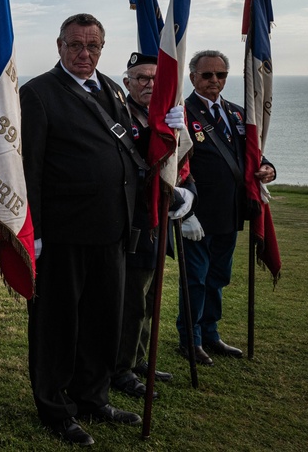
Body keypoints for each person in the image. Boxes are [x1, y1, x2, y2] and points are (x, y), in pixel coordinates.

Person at [20, 14, 144, 446]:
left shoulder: (110, 87)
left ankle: (93, 396)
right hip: (61, 233)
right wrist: (31, 230)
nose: (84, 54)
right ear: (58, 46)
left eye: (92, 46)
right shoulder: (37, 94)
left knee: (101, 319)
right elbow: (29, 167)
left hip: (111, 228)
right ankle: (55, 406)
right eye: (75, 45)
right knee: (57, 325)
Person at [179, 50, 276, 364]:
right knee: (195, 278)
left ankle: (210, 334)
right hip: (197, 214)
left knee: (218, 276)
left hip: (230, 212)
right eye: (207, 75)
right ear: (193, 77)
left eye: (220, 75)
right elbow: (177, 164)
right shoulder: (182, 113)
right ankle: (189, 340)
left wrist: (269, 169)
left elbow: (252, 156)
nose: (214, 81)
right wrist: (185, 210)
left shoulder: (236, 114)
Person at [112, 52, 195, 399]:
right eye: (141, 78)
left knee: (149, 297)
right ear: (127, 82)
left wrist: (185, 195)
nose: (148, 83)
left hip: (158, 220)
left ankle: (139, 358)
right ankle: (121, 369)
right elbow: (131, 163)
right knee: (131, 301)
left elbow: (183, 163)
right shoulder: (119, 114)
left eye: (155, 79)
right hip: (132, 221)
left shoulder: (165, 114)